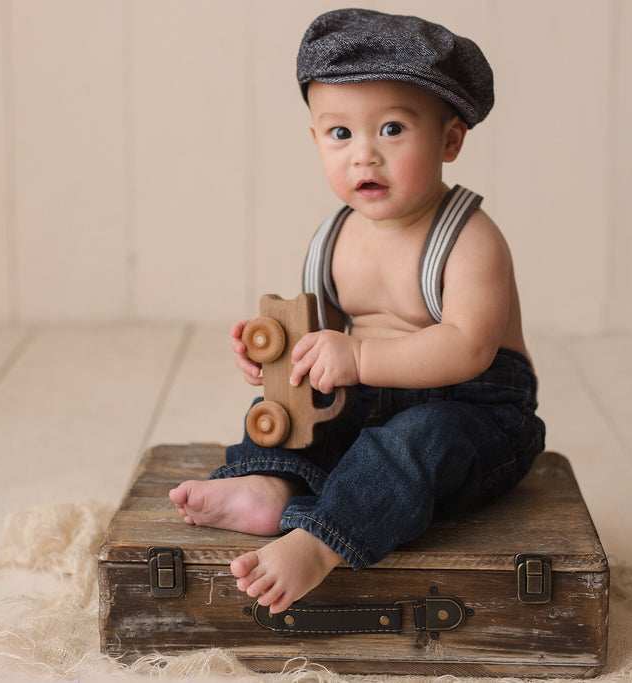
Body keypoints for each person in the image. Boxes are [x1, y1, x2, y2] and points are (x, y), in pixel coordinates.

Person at [169, 8, 545, 615]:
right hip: (367, 395)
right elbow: (325, 346)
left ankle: (321, 542)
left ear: (450, 139)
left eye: (392, 129)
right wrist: (279, 359)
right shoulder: (333, 238)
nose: (364, 156)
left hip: (475, 413)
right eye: (340, 134)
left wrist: (361, 355)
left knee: (416, 443)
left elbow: (468, 348)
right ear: (315, 138)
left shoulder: (470, 238)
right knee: (290, 409)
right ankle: (271, 483)